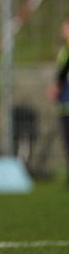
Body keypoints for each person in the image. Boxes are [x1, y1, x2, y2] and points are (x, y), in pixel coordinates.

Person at [46, 16, 69, 186]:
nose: (64, 31)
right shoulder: (64, 51)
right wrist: (56, 87)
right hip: (65, 104)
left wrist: (56, 85)